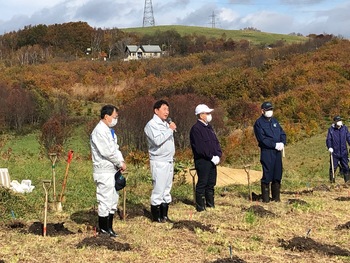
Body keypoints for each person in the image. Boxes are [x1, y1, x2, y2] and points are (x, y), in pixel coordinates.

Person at [90, 105, 126, 237]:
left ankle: (110, 227)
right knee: (104, 200)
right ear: (106, 116)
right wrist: (118, 162)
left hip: (113, 170)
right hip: (103, 171)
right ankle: (103, 228)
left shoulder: (110, 131)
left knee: (112, 200)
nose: (116, 119)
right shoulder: (99, 131)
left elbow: (116, 149)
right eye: (114, 117)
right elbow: (107, 152)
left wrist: (121, 162)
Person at [144, 100, 177, 223]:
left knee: (167, 189)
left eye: (168, 109)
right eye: (164, 109)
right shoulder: (151, 125)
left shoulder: (165, 124)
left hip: (169, 160)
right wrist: (170, 130)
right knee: (159, 188)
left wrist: (169, 128)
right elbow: (157, 141)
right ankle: (156, 217)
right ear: (156, 110)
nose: (167, 112)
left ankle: (164, 215)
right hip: (159, 161)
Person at [190, 104, 222, 212]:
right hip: (203, 160)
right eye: (207, 113)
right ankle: (200, 207)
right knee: (202, 183)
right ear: (201, 115)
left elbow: (215, 143)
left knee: (211, 183)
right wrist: (211, 156)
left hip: (213, 160)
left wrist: (218, 155)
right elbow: (200, 147)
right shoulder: (196, 129)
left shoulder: (209, 127)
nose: (209, 115)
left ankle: (210, 204)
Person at [253, 102, 286, 203]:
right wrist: (274, 145)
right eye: (267, 110)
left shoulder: (274, 121)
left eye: (271, 109)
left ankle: (276, 198)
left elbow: (282, 133)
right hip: (267, 151)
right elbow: (262, 139)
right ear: (262, 111)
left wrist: (282, 143)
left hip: (277, 152)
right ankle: (266, 199)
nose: (270, 112)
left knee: (277, 173)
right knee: (268, 173)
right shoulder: (259, 123)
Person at [326, 116, 350, 183]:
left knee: (346, 167)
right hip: (334, 153)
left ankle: (347, 182)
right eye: (338, 121)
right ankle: (332, 182)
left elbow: (348, 137)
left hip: (344, 152)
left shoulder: (344, 128)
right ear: (335, 122)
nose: (340, 122)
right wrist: (330, 147)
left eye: (340, 120)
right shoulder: (331, 130)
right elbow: (329, 139)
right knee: (333, 168)